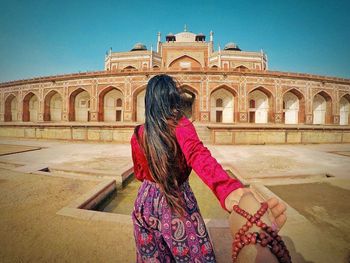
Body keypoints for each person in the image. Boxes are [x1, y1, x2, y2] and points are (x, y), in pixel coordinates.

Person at [130, 74, 287, 262]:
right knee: (192, 255)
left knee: (152, 256)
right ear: (172, 98)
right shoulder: (180, 125)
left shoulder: (138, 133)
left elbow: (139, 172)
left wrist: (153, 180)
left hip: (145, 201)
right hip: (175, 199)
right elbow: (197, 154)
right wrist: (224, 187)